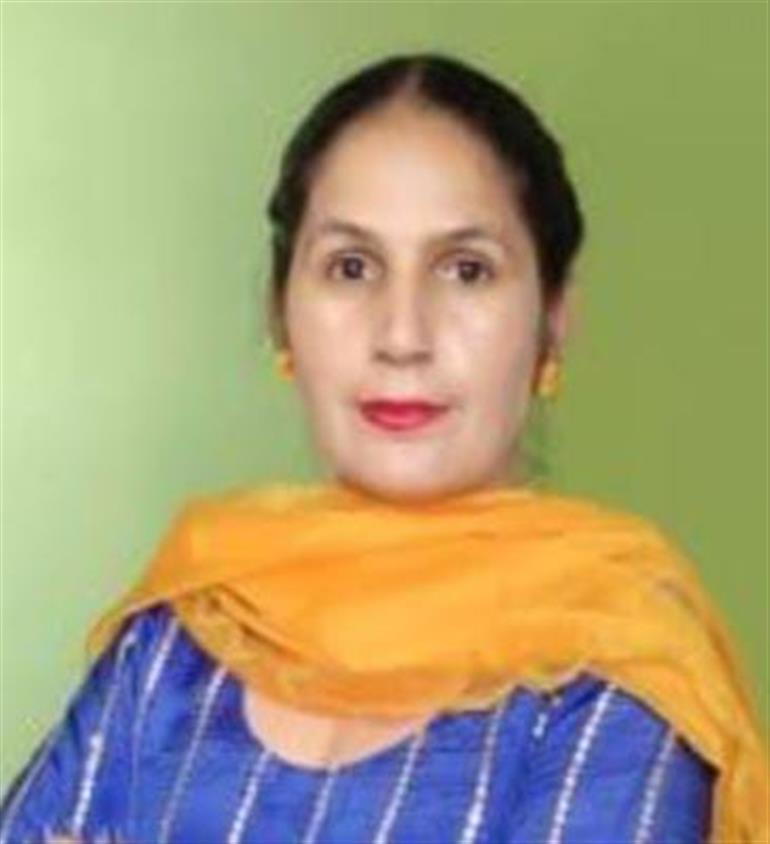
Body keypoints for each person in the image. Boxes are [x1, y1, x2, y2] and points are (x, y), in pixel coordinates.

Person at [1, 51, 767, 844]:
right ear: (280, 312)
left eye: (466, 270)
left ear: (553, 319)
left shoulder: (616, 669)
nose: (403, 335)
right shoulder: (178, 642)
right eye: (352, 267)